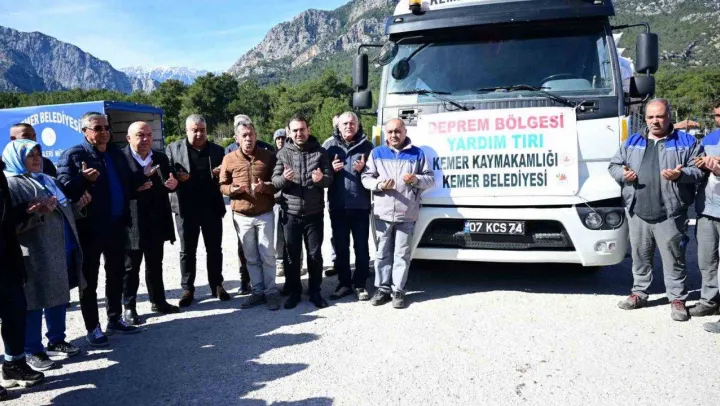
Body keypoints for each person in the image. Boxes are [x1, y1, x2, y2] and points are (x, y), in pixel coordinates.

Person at [57, 112, 148, 346]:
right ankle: (92, 327)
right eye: (98, 128)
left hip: (117, 225)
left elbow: (128, 182)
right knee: (89, 280)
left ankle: (114, 319)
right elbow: (63, 187)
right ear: (85, 131)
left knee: (116, 274)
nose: (104, 132)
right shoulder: (74, 155)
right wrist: (83, 180)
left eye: (106, 128)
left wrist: (144, 177)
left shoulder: (115, 153)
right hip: (90, 228)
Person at [608, 98, 703, 321]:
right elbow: (613, 165)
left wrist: (681, 175)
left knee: (674, 257)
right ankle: (639, 293)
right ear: (645, 118)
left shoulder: (687, 142)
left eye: (659, 116)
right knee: (640, 255)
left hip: (670, 211)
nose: (655, 121)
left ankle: (677, 299)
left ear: (669, 116)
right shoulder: (633, 140)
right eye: (650, 117)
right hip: (638, 210)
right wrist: (623, 175)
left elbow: (699, 171)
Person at [2, 140, 88, 371]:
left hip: (60, 247)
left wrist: (78, 207)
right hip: (35, 252)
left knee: (58, 295)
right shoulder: (12, 184)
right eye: (30, 155)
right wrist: (36, 214)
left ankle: (56, 339)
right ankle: (32, 349)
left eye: (38, 154)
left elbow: (62, 209)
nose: (36, 159)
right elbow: (9, 225)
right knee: (34, 301)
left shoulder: (48, 179)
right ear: (16, 158)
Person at [361, 118, 435, 309]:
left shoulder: (417, 153)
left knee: (402, 254)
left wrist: (415, 180)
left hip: (407, 213)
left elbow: (430, 179)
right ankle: (382, 289)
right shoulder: (377, 153)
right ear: (385, 133)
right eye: (390, 132)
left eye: (398, 131)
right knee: (382, 253)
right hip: (382, 213)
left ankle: (398, 290)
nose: (394, 135)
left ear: (405, 132)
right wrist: (379, 185)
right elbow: (366, 178)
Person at [166, 114, 229, 307]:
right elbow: (167, 173)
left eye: (202, 130)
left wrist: (220, 175)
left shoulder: (218, 150)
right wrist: (177, 178)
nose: (199, 134)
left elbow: (227, 177)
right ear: (187, 130)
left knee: (214, 249)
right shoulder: (173, 149)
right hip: (186, 209)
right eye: (195, 130)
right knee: (187, 251)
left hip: (212, 208)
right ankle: (187, 288)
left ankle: (217, 285)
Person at [121, 122, 180, 325]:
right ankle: (129, 306)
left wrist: (173, 185)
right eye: (140, 135)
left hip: (156, 219)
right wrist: (136, 188)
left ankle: (158, 301)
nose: (145, 139)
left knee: (155, 264)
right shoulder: (121, 159)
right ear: (129, 138)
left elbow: (168, 182)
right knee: (131, 267)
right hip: (132, 222)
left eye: (148, 134)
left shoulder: (160, 158)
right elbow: (117, 188)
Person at [272, 114, 333, 309]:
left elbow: (329, 178)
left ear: (308, 130)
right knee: (291, 255)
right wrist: (285, 179)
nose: (299, 133)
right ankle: (295, 291)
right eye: (295, 130)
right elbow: (275, 181)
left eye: (302, 129)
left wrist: (321, 180)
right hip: (290, 213)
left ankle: (315, 291)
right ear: (289, 132)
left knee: (314, 255)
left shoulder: (320, 152)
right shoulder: (283, 153)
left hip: (314, 213)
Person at [220, 119, 280, 310]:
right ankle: (258, 291)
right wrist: (231, 190)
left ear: (256, 136)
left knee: (268, 255)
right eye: (244, 135)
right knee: (251, 257)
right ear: (236, 138)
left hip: (265, 213)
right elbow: (222, 185)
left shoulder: (268, 156)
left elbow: (277, 183)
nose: (248, 138)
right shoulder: (229, 159)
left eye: (251, 134)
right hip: (242, 216)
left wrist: (265, 187)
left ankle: (271, 292)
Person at [0, 159, 44, 398]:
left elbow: (6, 220)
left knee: (15, 310)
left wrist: (24, 210)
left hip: (6, 258)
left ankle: (13, 364)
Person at [323, 112, 374, 301]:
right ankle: (344, 284)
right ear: (338, 126)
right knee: (341, 248)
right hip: (338, 206)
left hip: (360, 205)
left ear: (358, 125)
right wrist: (331, 169)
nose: (348, 126)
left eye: (352, 123)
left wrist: (364, 169)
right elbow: (320, 173)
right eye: (345, 123)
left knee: (361, 248)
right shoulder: (329, 146)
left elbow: (376, 173)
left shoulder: (368, 147)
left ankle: (360, 284)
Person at [697, 99, 720, 333]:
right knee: (707, 260)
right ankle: (709, 301)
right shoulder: (709, 139)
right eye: (717, 115)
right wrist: (700, 165)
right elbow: (697, 168)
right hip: (707, 210)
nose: (719, 120)